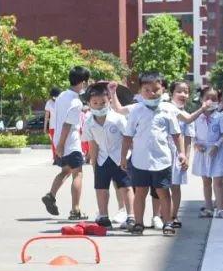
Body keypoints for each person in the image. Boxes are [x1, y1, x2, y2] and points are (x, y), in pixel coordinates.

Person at [120, 72, 183, 235]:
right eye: (146, 90)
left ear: (163, 89)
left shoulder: (168, 109)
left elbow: (176, 134)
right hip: (140, 160)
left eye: (156, 89)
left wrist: (182, 154)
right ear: (140, 91)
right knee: (140, 192)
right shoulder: (136, 110)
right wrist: (123, 158)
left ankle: (168, 222)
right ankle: (139, 223)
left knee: (163, 191)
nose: (151, 93)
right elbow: (127, 136)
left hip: (162, 159)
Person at [42, 66, 90, 220]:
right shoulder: (76, 102)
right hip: (70, 142)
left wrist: (58, 145)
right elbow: (68, 125)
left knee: (66, 171)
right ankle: (75, 210)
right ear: (82, 82)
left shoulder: (62, 95)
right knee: (78, 174)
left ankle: (51, 195)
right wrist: (62, 144)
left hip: (59, 140)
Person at [82, 83, 131, 229]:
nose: (99, 106)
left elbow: (128, 138)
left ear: (109, 100)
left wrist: (125, 157)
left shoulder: (118, 118)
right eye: (95, 103)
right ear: (89, 104)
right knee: (101, 188)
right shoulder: (89, 122)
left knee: (125, 187)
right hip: (102, 159)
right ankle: (103, 216)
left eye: (103, 102)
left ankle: (131, 216)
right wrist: (93, 162)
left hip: (120, 158)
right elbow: (92, 144)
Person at [191, 87, 223, 218]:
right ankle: (208, 207)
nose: (210, 101)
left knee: (218, 181)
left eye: (214, 99)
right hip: (202, 152)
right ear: (201, 100)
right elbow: (192, 134)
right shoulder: (197, 117)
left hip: (216, 152)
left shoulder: (220, 117)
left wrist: (216, 145)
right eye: (207, 98)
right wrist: (196, 144)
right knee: (206, 181)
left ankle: (220, 208)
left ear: (218, 101)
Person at [167, 81, 196, 227]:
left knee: (175, 186)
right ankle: (161, 215)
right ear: (171, 92)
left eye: (186, 92)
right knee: (161, 187)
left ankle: (173, 216)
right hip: (163, 152)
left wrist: (187, 157)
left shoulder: (187, 116)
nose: (183, 95)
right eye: (179, 91)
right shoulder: (165, 109)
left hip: (178, 155)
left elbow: (188, 138)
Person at [43, 87, 60, 159]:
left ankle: (59, 156)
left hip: (59, 126)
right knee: (54, 142)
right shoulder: (49, 103)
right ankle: (55, 157)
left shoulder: (60, 102)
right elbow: (46, 116)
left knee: (59, 141)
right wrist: (45, 127)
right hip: (53, 126)